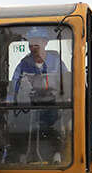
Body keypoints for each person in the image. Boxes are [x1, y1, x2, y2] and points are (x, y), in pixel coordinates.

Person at [6, 27, 70, 163]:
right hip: (30, 105)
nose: (33, 47)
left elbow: (67, 81)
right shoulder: (24, 64)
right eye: (31, 44)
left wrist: (67, 98)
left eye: (36, 44)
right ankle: (23, 155)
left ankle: (57, 154)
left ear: (45, 43)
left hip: (54, 104)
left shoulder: (56, 62)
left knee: (56, 124)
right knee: (20, 125)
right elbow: (15, 85)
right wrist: (10, 103)